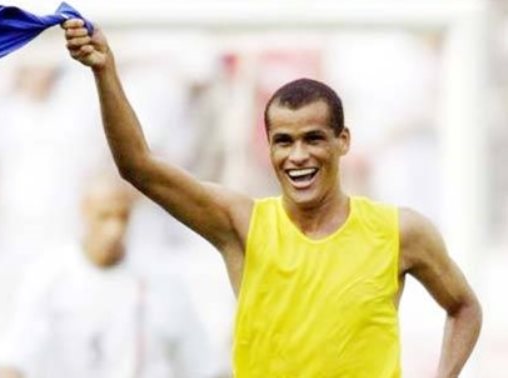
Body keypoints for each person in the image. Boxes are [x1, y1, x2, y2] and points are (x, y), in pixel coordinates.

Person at [60, 20, 482, 377]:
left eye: (313, 138)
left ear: (343, 142)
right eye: (284, 141)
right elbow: (138, 166)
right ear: (269, 148)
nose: (298, 156)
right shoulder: (242, 224)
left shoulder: (400, 231)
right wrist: (104, 71)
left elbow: (463, 307)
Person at [0, 176, 218, 378]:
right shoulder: (48, 277)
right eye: (105, 216)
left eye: (123, 216)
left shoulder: (161, 281)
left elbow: (203, 364)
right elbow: (13, 359)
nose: (115, 229)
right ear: (84, 211)